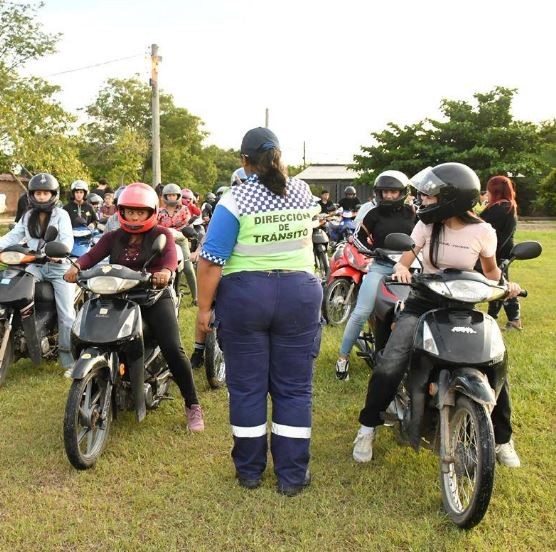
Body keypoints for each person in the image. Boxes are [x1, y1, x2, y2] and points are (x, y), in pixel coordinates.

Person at [351, 162, 522, 468]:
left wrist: (506, 286)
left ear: (451, 197)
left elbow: (492, 272)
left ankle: (503, 439)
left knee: (495, 363)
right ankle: (367, 428)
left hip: (463, 306)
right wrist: (402, 269)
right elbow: (404, 262)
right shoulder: (425, 226)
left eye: (430, 196)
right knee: (390, 363)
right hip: (422, 303)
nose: (423, 201)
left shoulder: (484, 231)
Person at [197, 127, 322, 495]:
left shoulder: (235, 199)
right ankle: (292, 477)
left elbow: (211, 260)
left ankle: (250, 473)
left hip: (246, 298)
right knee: (295, 390)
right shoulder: (303, 191)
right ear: (279, 156)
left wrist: (203, 310)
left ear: (244, 161)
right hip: (299, 295)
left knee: (248, 389)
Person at [64, 183, 204, 432]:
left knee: (173, 348)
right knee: (93, 334)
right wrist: (76, 267)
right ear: (121, 211)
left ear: (151, 212)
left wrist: (165, 271)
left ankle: (192, 405)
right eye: (129, 212)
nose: (134, 217)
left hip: (152, 296)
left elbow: (171, 259)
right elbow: (91, 256)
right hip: (118, 296)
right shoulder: (113, 236)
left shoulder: (162, 235)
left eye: (140, 212)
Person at [0, 173, 76, 374]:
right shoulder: (28, 215)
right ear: (31, 194)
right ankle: (20, 335)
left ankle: (68, 360)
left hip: (59, 268)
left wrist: (60, 254)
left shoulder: (62, 215)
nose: (41, 197)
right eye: (37, 193)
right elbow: (15, 234)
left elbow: (68, 239)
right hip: (35, 265)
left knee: (67, 314)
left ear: (53, 194)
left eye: (45, 193)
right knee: (14, 292)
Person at [333, 171, 416, 380]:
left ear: (403, 192)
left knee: (420, 311)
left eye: (393, 191)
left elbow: (422, 239)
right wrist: (372, 251)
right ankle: (342, 359)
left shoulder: (413, 213)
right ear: (378, 193)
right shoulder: (373, 214)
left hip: (410, 268)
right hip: (381, 266)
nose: (388, 196)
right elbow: (357, 239)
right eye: (384, 192)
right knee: (361, 312)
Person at [480, 176, 521, 330]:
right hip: (501, 251)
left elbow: (488, 231)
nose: (487, 192)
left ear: (494, 190)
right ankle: (495, 317)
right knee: (498, 284)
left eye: (489, 189)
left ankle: (513, 319)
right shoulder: (507, 206)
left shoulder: (500, 208)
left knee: (502, 285)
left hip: (497, 252)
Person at [157, 183, 198, 305]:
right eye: (169, 195)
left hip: (181, 240)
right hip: (165, 241)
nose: (171, 198)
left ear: (178, 196)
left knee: (188, 268)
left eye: (174, 195)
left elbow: (187, 226)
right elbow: (156, 226)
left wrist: (178, 233)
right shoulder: (159, 211)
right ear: (165, 196)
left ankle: (195, 297)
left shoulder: (184, 210)